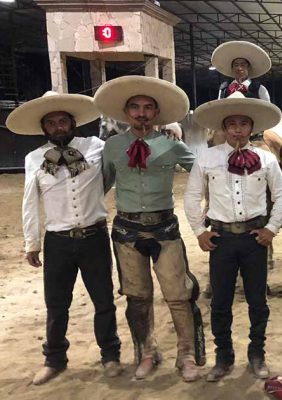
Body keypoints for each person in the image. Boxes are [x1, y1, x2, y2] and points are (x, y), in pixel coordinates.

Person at [94, 75, 205, 382]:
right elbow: (101, 184)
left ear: (156, 113)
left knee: (178, 295)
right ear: (126, 112)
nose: (141, 113)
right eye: (135, 107)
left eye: (147, 108)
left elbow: (202, 173)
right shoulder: (113, 146)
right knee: (137, 296)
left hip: (164, 229)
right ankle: (147, 352)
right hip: (127, 231)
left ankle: (186, 355)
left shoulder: (172, 145)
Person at [9, 91, 122, 385]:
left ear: (72, 122)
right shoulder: (34, 159)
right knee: (57, 304)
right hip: (57, 241)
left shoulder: (96, 147)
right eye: (51, 123)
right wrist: (31, 242)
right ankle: (55, 359)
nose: (58, 126)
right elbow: (29, 202)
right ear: (43, 128)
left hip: (94, 236)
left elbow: (110, 176)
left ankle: (110, 355)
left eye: (63, 121)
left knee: (104, 299)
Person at [184, 92, 282, 381]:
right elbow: (192, 196)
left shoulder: (267, 159)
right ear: (224, 127)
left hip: (255, 239)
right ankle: (224, 356)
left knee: (258, 301)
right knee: (220, 302)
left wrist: (271, 227)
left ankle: (257, 354)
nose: (237, 129)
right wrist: (198, 231)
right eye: (232, 123)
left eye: (243, 123)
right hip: (222, 239)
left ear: (251, 126)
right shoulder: (207, 157)